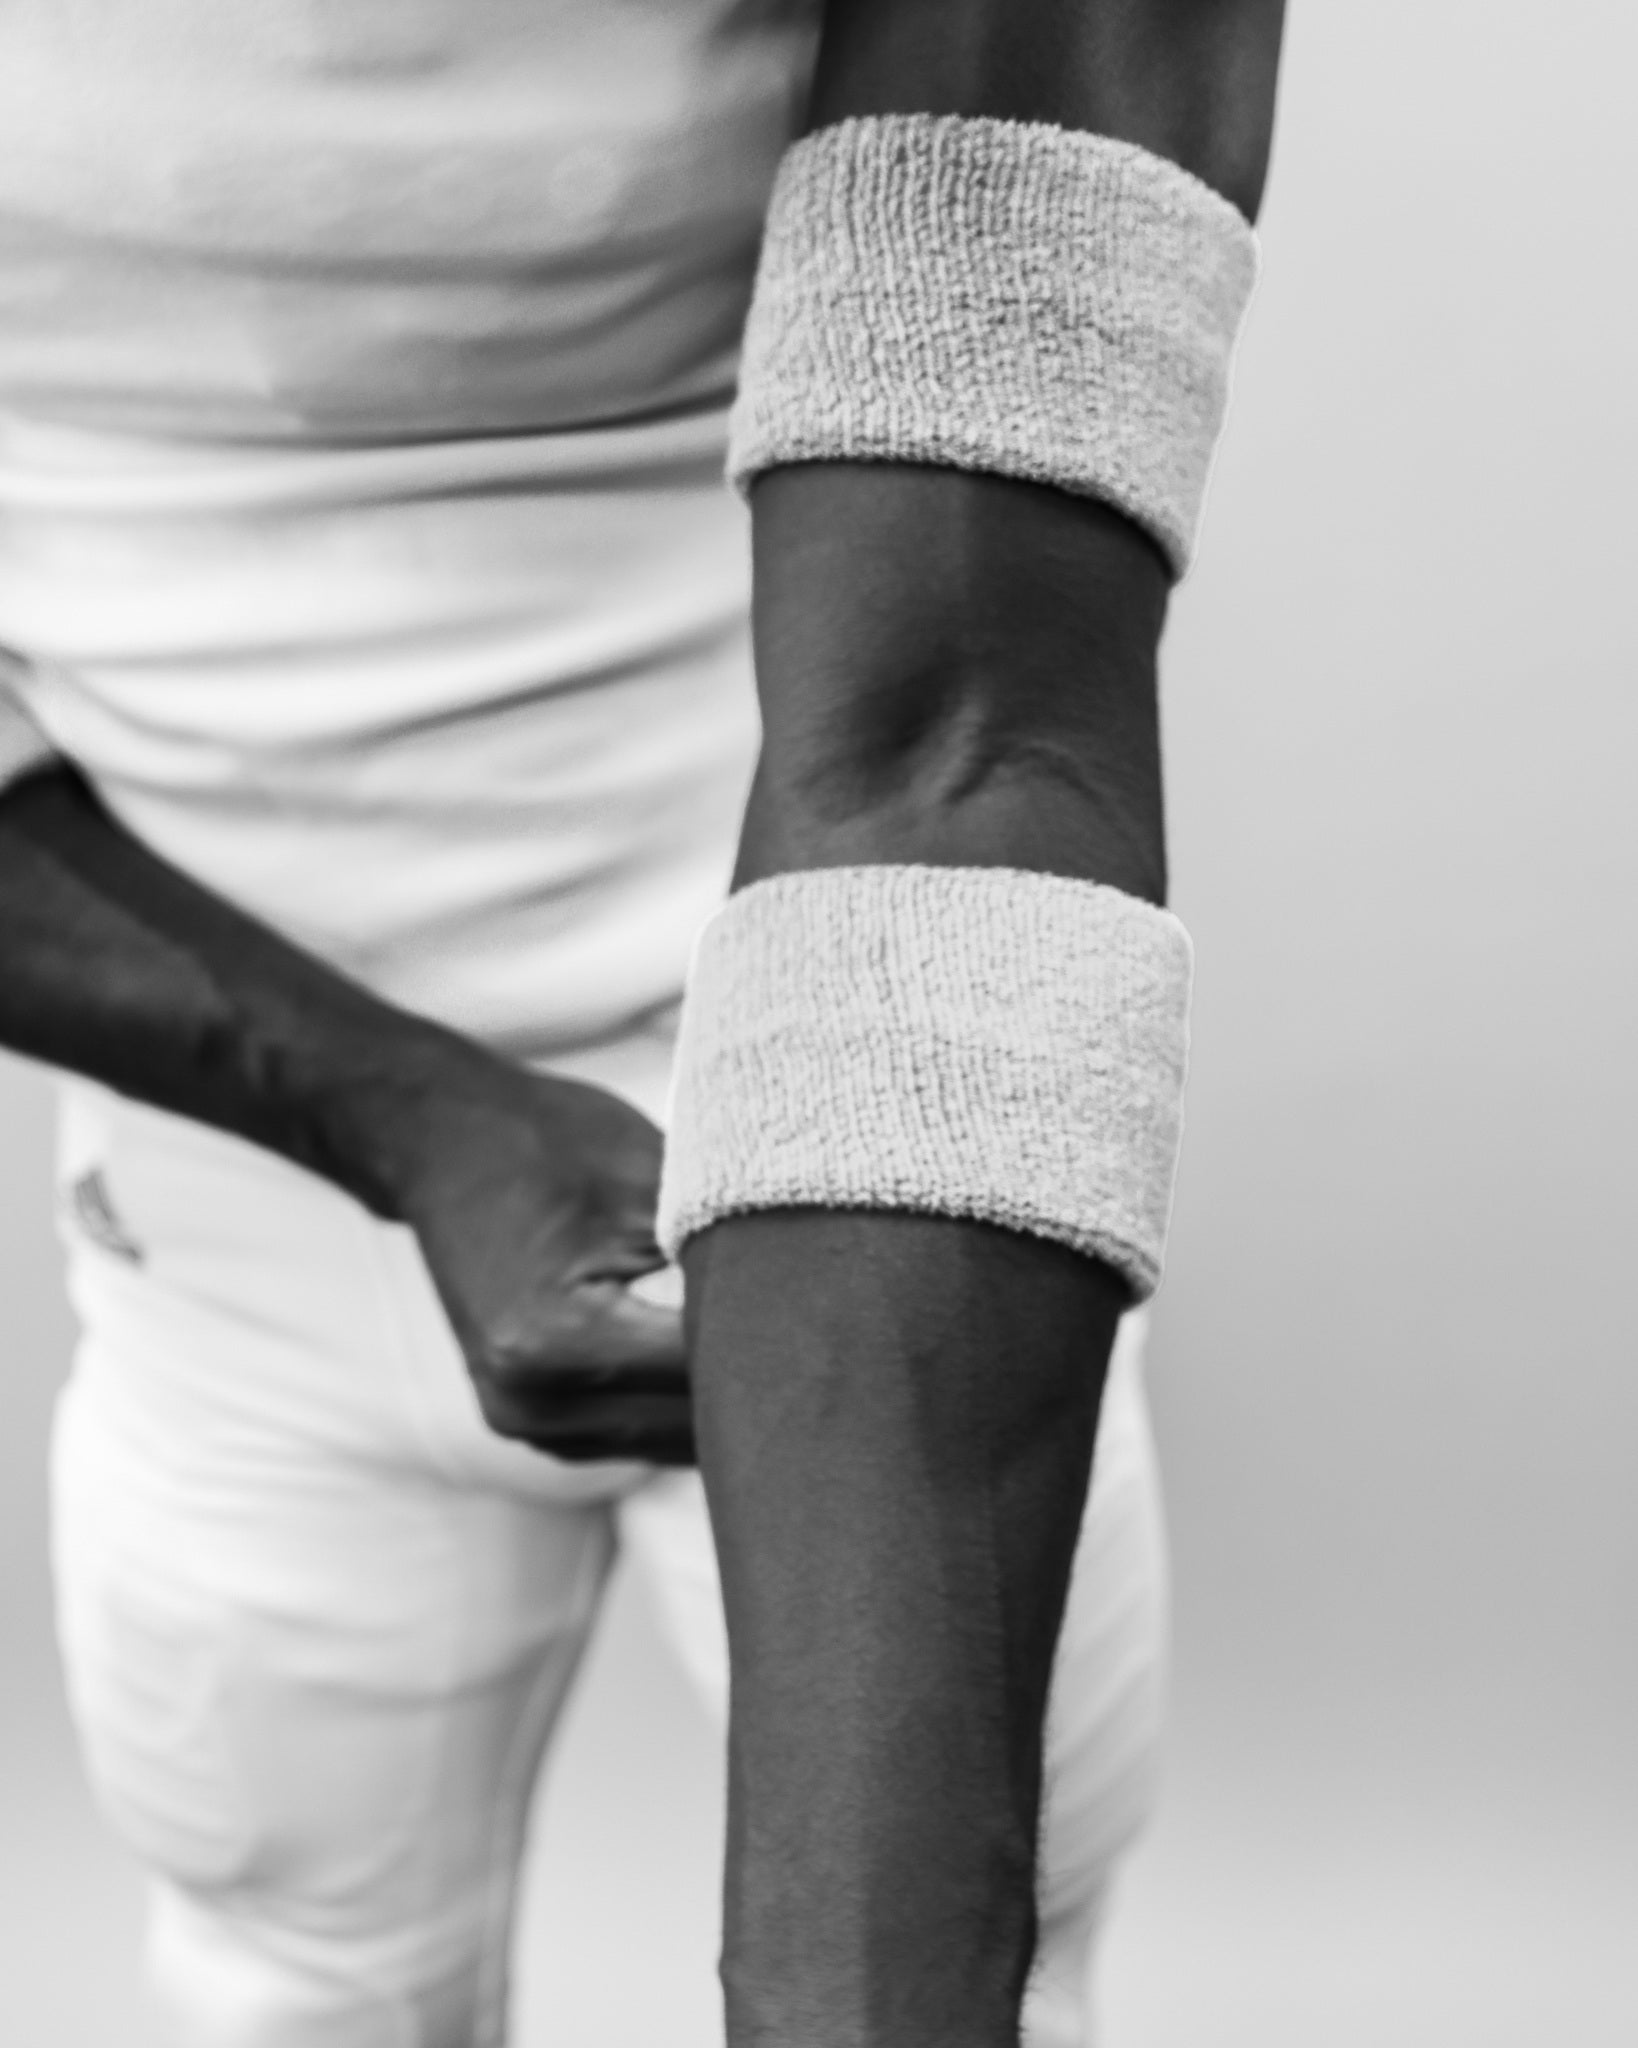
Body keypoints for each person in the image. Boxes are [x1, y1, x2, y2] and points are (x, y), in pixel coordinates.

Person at [0, 2, 1285, 2043]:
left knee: (985, 1986)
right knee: (290, 1973)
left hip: (886, 1157)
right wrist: (403, 1113)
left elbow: (956, 731)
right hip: (229, 1208)